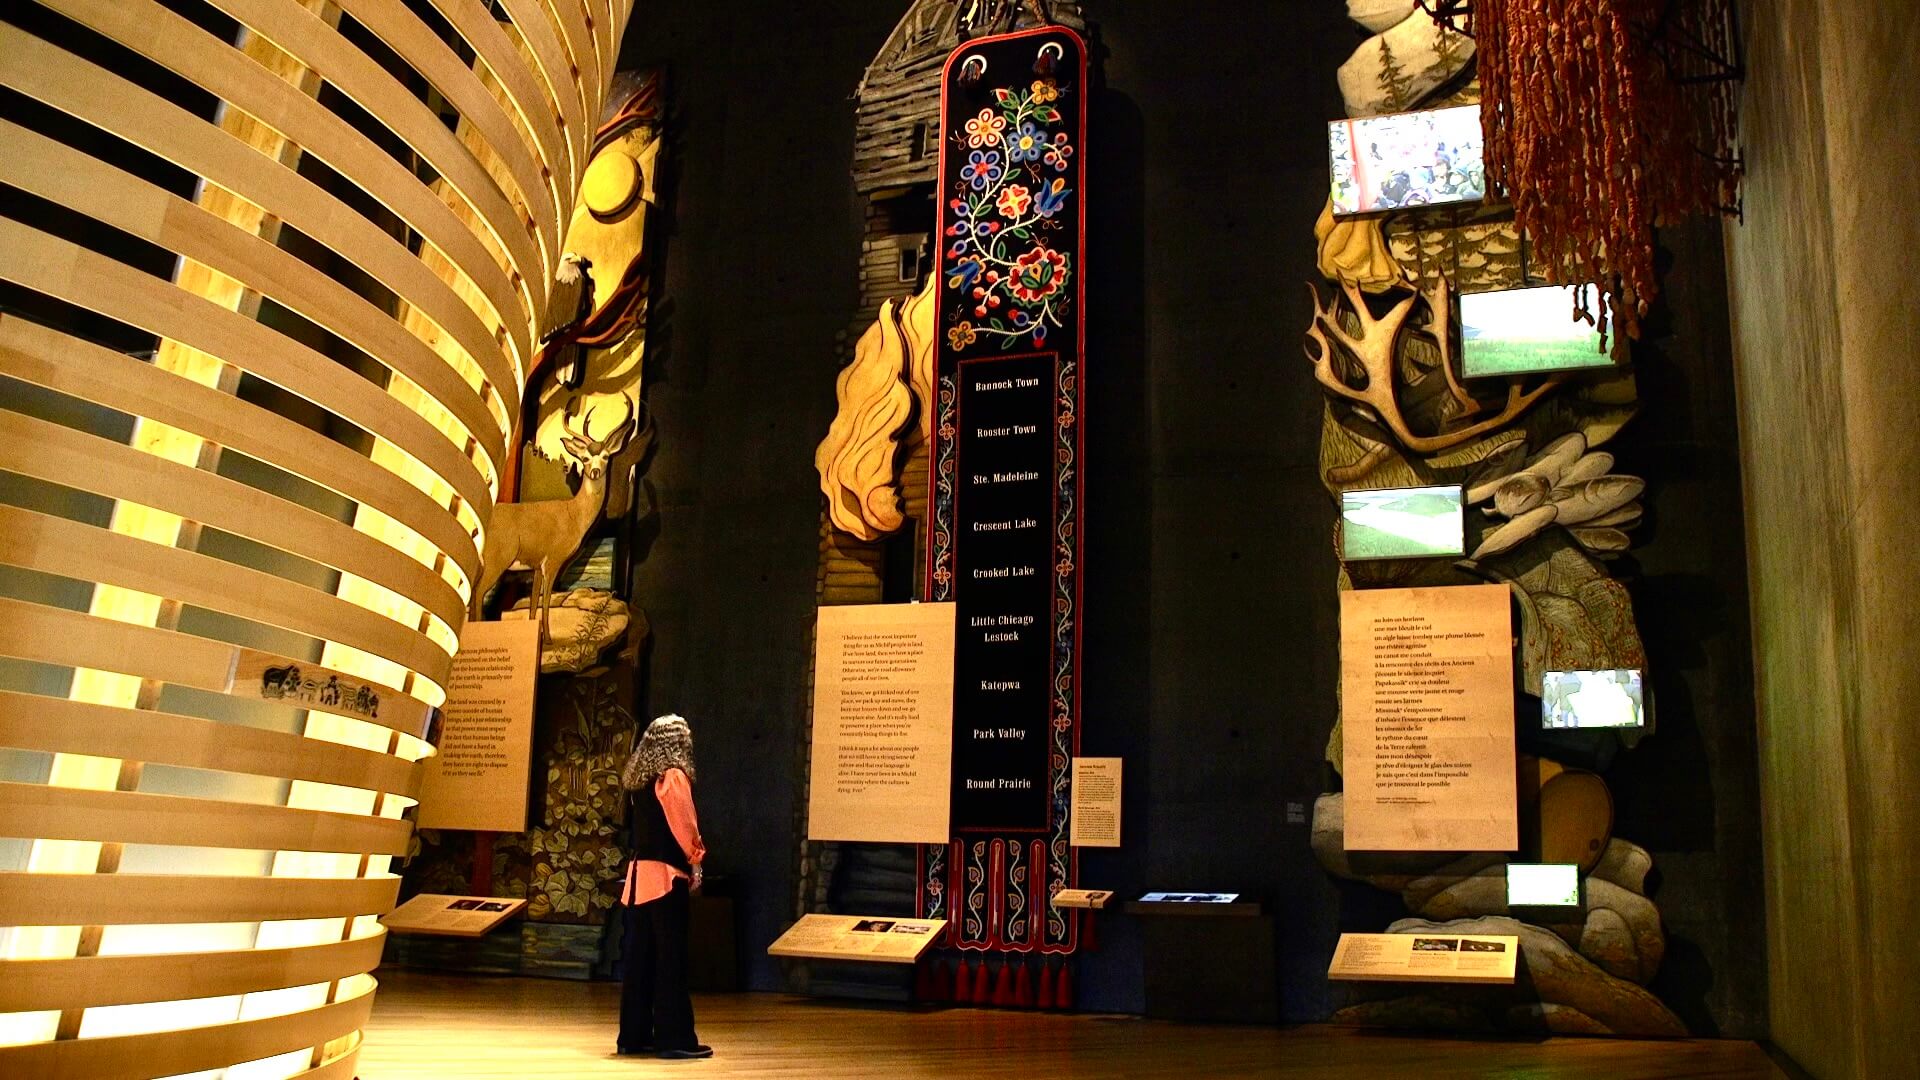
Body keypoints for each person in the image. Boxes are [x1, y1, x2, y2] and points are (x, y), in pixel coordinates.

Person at [616, 714, 711, 1060]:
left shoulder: (639, 781)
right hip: (666, 878)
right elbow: (684, 825)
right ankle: (674, 1038)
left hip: (639, 876)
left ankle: (632, 1036)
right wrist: (696, 860)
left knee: (639, 959)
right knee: (671, 960)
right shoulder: (672, 777)